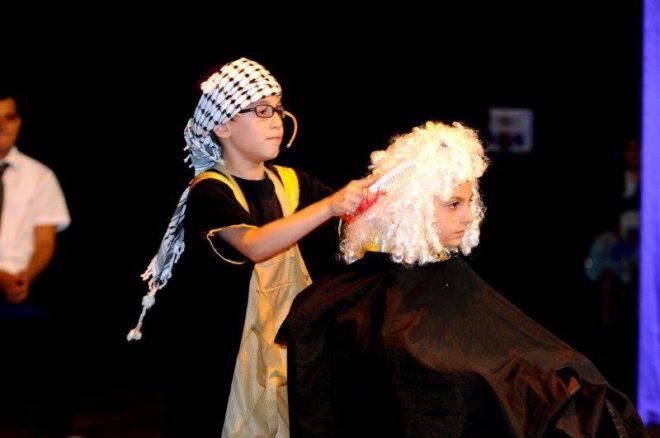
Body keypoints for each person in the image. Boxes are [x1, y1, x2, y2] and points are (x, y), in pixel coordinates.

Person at [278, 121, 646, 437]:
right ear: (413, 208)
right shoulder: (366, 299)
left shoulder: (445, 275)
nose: (468, 217)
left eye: (469, 202)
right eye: (454, 204)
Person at [127, 57, 372, 437]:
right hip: (228, 359)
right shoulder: (210, 190)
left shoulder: (293, 183)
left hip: (285, 347)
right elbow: (254, 245)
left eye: (278, 109)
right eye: (261, 111)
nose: (276, 121)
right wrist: (329, 206)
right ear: (222, 125)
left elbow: (355, 225)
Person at [0, 91, 74, 437]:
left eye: (9, 117)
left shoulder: (39, 175)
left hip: (21, 285)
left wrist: (23, 278)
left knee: (53, 344)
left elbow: (45, 241)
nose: (2, 126)